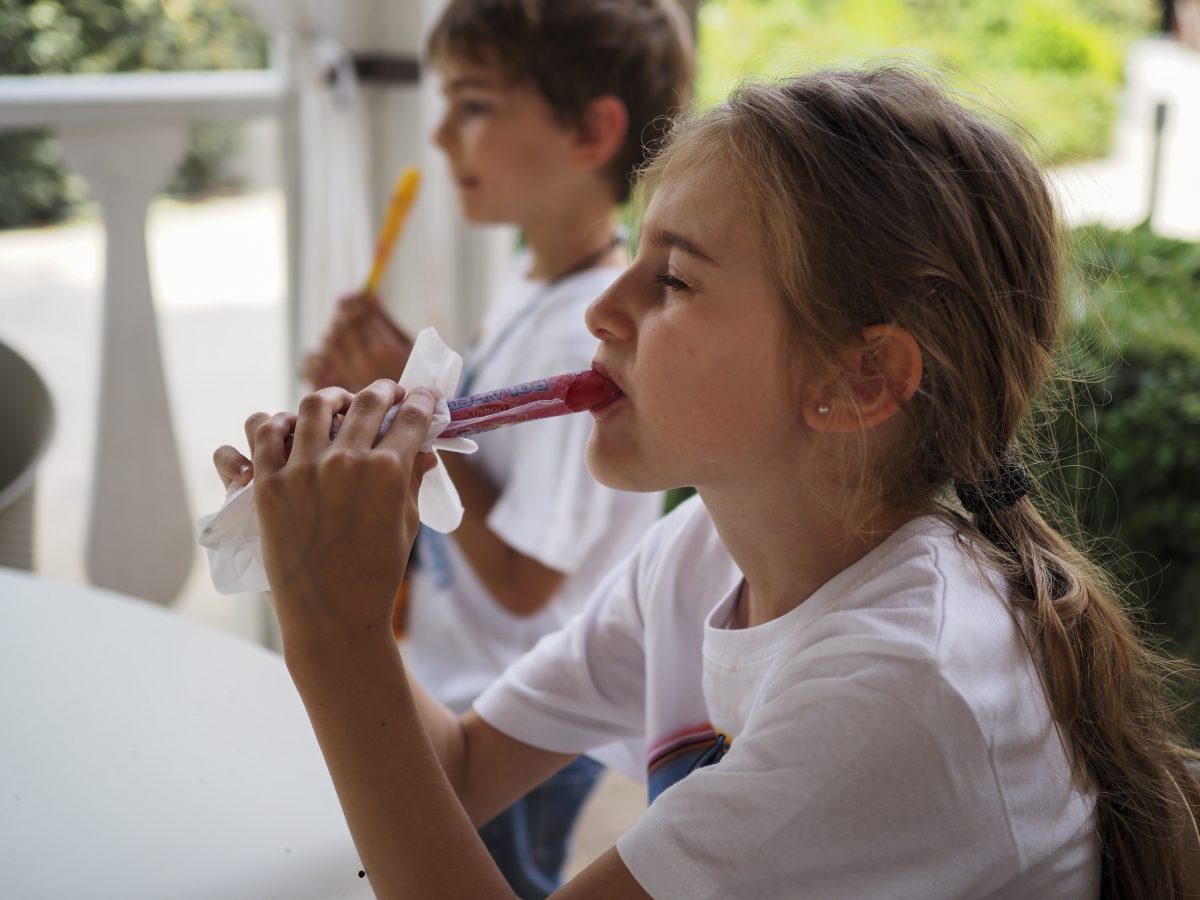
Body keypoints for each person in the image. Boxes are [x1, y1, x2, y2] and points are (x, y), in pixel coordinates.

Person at [217, 67, 1200, 898]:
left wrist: (335, 631)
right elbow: (466, 768)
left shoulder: (901, 690)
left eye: (674, 282)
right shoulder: (698, 556)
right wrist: (327, 559)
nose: (603, 309)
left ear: (857, 381)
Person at [292, 2, 690, 896]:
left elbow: (521, 583)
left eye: (472, 105)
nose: (440, 134)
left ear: (592, 129)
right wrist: (401, 393)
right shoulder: (531, 280)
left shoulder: (580, 337)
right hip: (466, 688)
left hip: (520, 712)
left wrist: (413, 442)